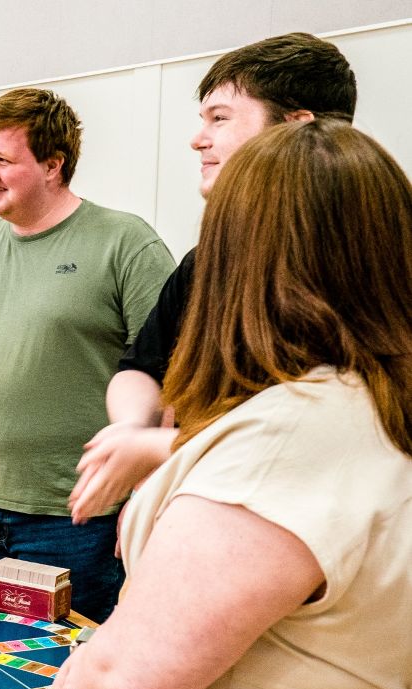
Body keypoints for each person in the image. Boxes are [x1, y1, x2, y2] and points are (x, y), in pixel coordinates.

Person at [50, 119, 412, 689]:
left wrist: (86, 671)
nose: (199, 137)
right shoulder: (376, 401)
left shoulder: (293, 432)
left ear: (236, 259)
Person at [70, 33, 358, 520]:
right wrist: (132, 431)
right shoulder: (206, 262)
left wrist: (162, 448)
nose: (197, 139)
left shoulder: (364, 264)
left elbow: (317, 438)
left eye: (219, 118)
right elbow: (143, 367)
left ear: (296, 129)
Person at [0, 88, 174, 622]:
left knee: (63, 681)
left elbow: (173, 374)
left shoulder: (125, 244)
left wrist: (147, 490)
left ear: (54, 165)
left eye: (4, 160)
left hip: (80, 517)